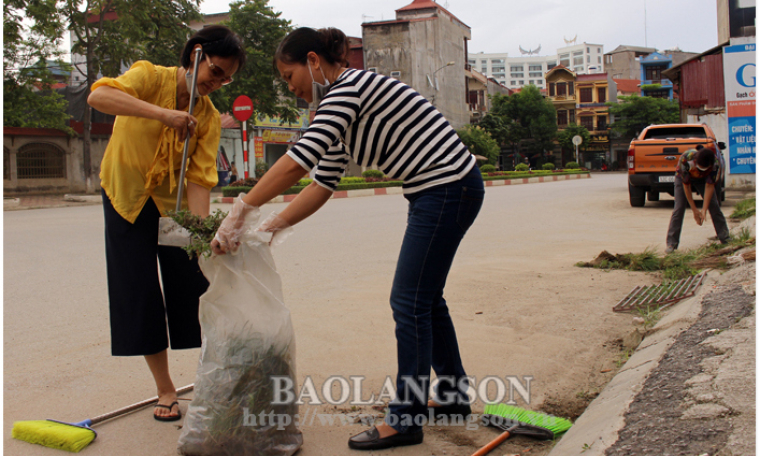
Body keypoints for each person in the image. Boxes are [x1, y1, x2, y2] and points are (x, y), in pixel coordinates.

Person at [211, 27, 484, 450]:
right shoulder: (337, 108)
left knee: (408, 301)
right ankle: (451, 396)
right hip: (444, 188)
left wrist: (241, 209)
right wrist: (269, 227)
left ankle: (407, 419)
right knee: (425, 300)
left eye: (289, 75)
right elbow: (321, 183)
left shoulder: (347, 89)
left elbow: (296, 162)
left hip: (447, 187)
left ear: (314, 61)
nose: (291, 87)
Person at [87, 25, 245, 421]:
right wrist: (164, 115)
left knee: (193, 287)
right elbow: (99, 95)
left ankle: (212, 379)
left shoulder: (206, 117)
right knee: (139, 293)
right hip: (125, 198)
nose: (218, 83)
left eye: (227, 78)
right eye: (216, 71)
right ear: (195, 54)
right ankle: (165, 389)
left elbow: (199, 179)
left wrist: (203, 235)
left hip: (172, 209)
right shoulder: (148, 76)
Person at [665, 145, 729, 254]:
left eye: (704, 169)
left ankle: (725, 238)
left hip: (703, 181)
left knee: (714, 206)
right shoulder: (686, 159)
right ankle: (671, 243)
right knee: (679, 208)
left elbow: (709, 186)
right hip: (683, 179)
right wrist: (694, 210)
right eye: (699, 168)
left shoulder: (715, 164)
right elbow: (686, 186)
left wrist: (704, 210)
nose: (700, 171)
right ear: (695, 162)